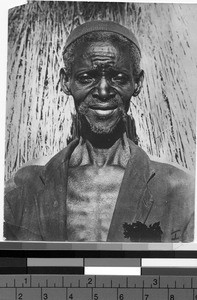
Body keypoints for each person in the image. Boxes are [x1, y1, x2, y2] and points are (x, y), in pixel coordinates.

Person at [4, 21, 195, 242]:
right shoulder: (25, 186)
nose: (103, 91)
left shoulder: (179, 190)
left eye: (118, 78)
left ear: (138, 83)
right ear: (66, 81)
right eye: (87, 77)